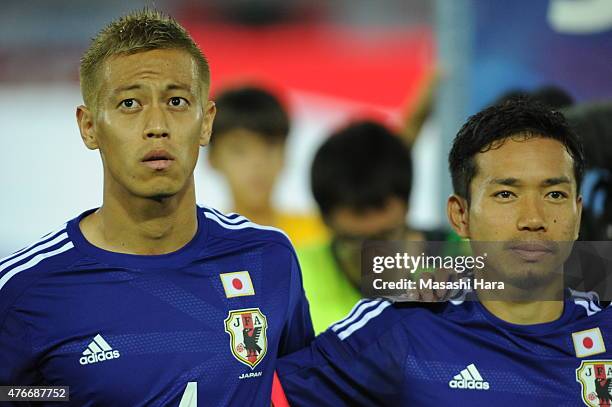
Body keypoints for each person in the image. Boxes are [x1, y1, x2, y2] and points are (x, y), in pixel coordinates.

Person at [0, 9, 313, 406]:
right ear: (89, 126)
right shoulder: (24, 290)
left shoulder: (269, 257)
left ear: (206, 123)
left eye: (177, 101)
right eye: (130, 103)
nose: (157, 125)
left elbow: (299, 389)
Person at [276, 99, 612, 406]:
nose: (534, 219)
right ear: (460, 216)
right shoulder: (401, 328)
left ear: (578, 213)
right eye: (506, 194)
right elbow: (256, 391)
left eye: (554, 194)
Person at [300, 121, 454, 333]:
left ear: (407, 206)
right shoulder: (294, 279)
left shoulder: (466, 263)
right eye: (354, 241)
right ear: (325, 220)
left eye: (386, 236)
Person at [208, 85, 328, 248]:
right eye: (239, 150)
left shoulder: (321, 235)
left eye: (269, 146)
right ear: (213, 158)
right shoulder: (198, 245)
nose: (257, 162)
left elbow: (374, 269)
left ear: (285, 154)